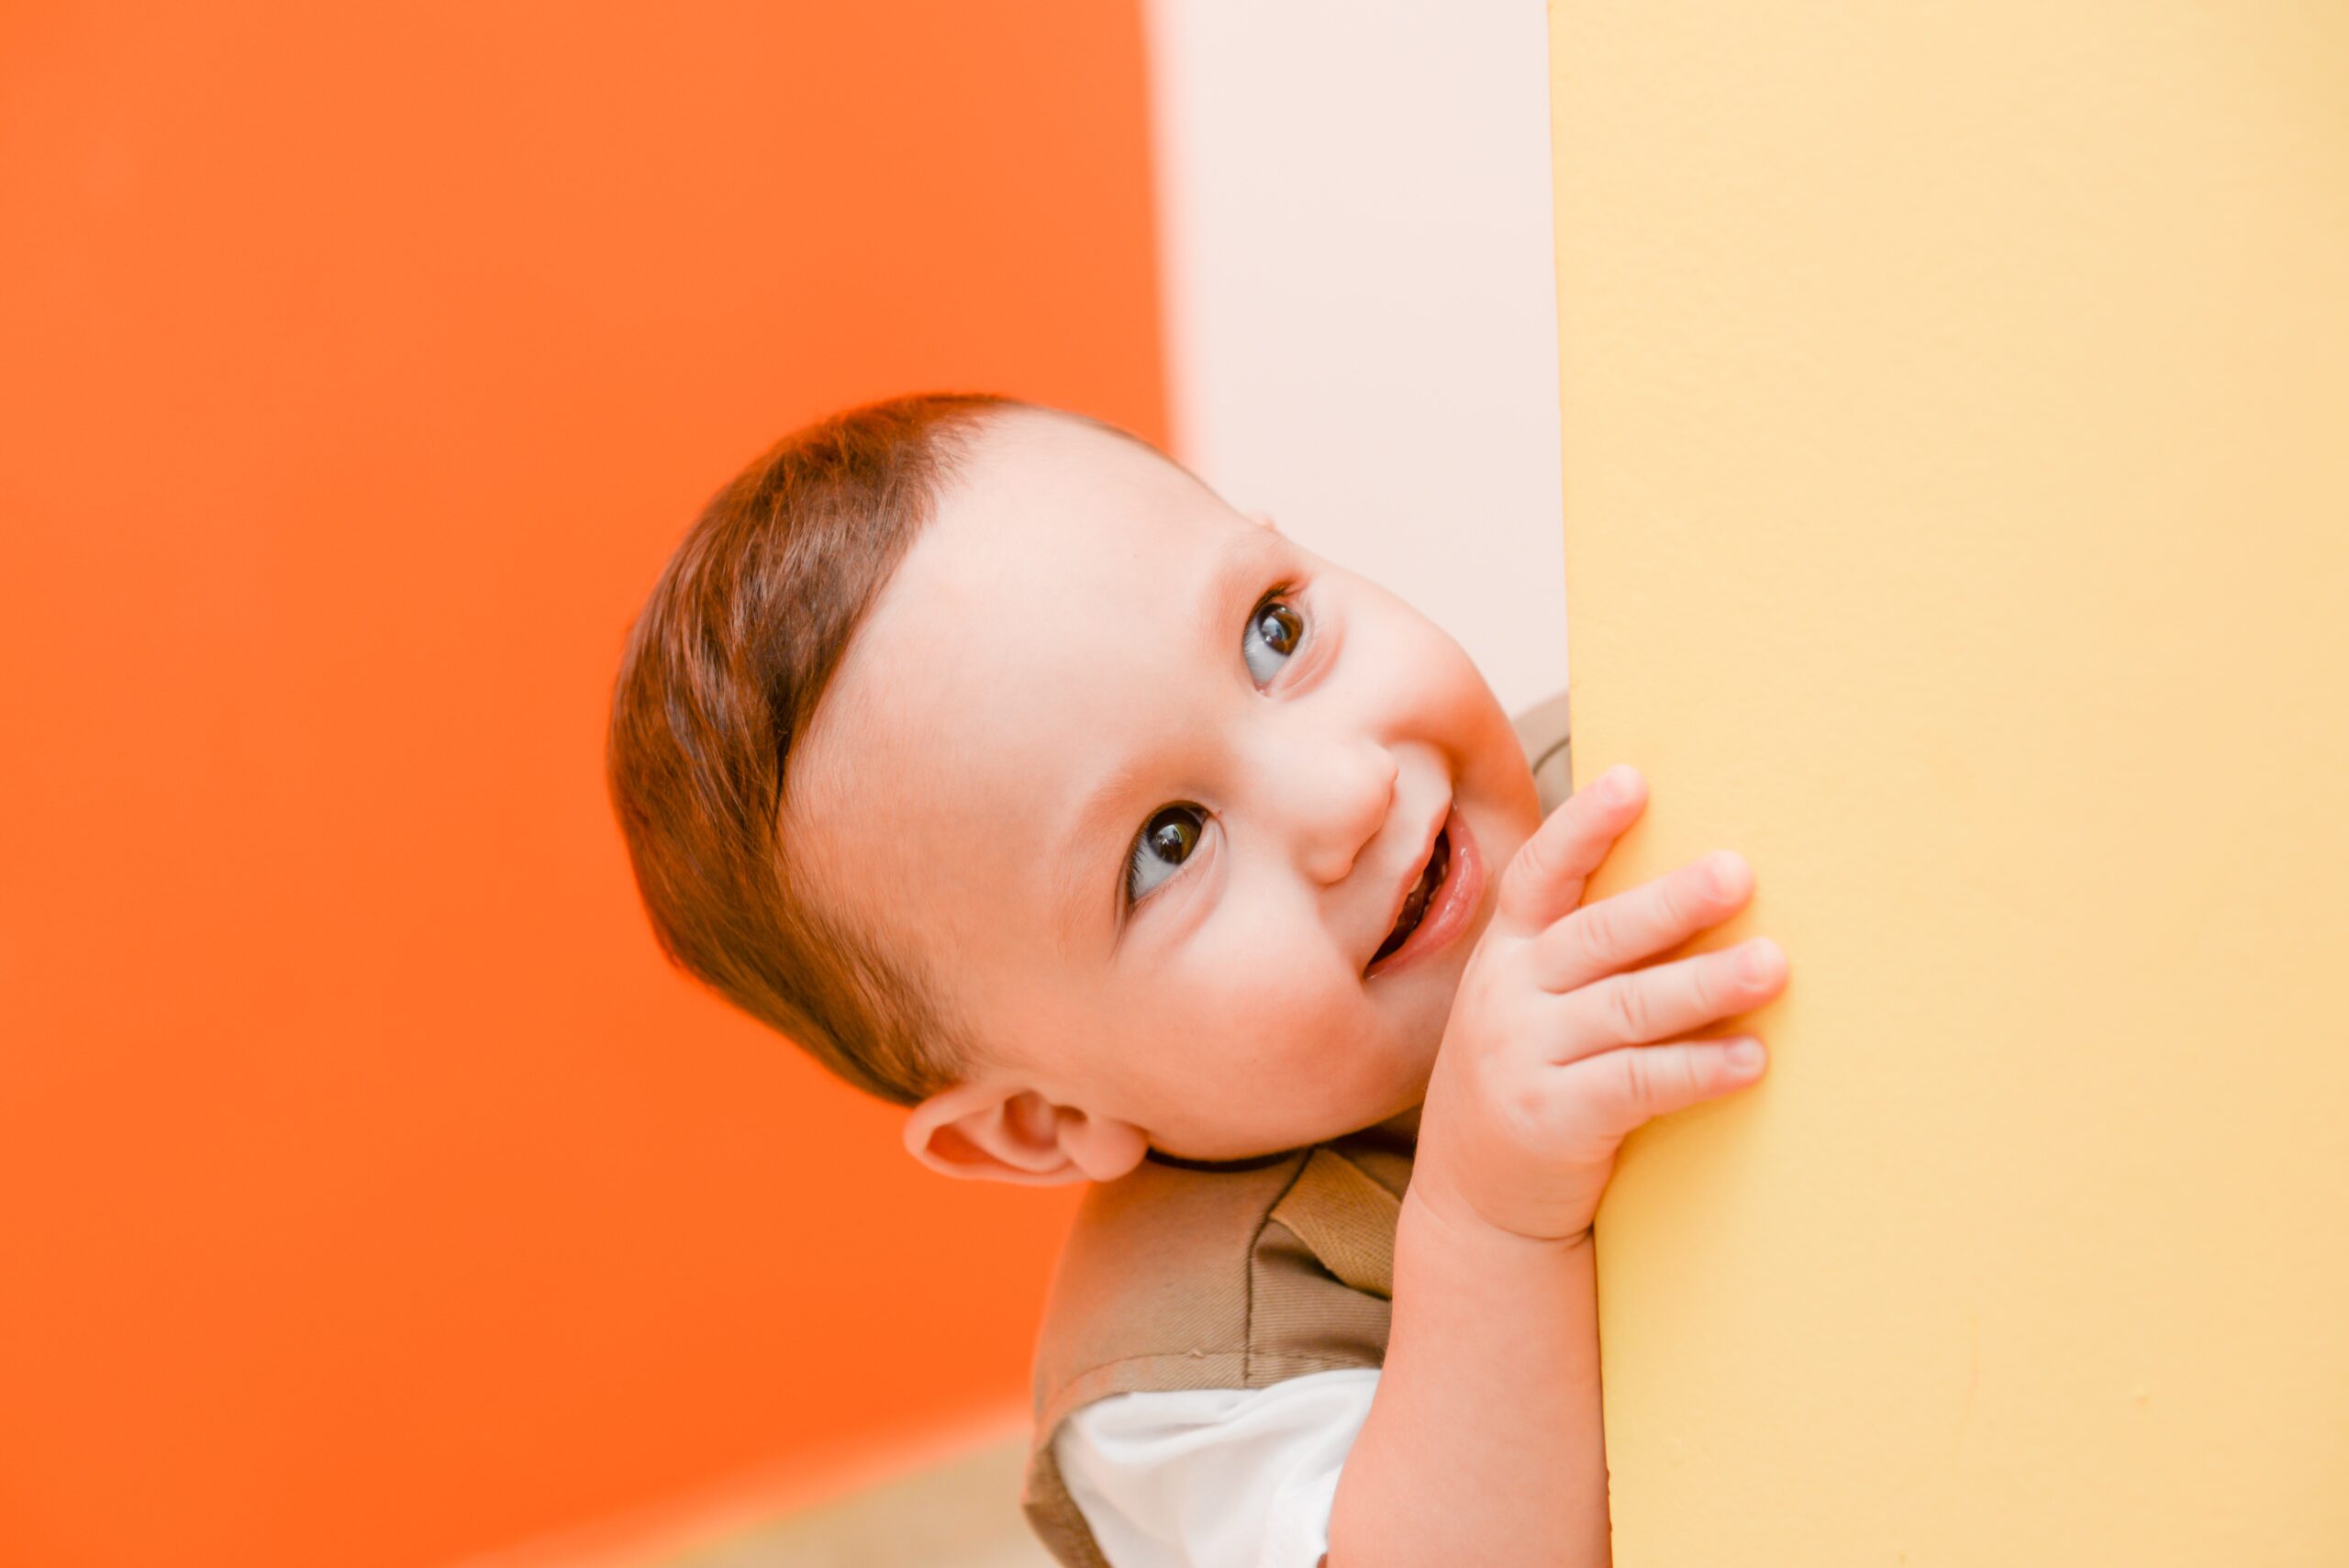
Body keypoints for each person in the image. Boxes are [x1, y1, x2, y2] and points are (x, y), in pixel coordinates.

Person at [605, 393, 1790, 1567]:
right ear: (1045, 1119)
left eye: (1273, 633)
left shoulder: (1625, 774)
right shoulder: (1188, 1375)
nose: (1346, 792)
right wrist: (1487, 1219)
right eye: (1168, 843)